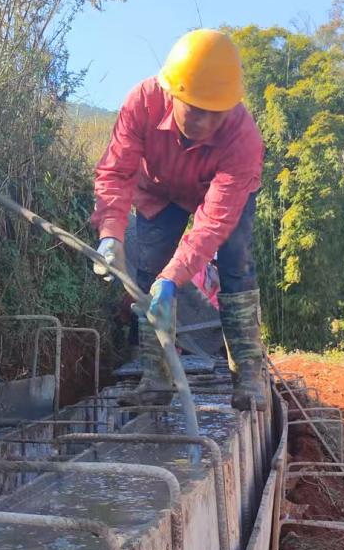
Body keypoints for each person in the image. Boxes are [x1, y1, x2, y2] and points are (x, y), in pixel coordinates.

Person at [91, 28, 269, 411]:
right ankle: (157, 378)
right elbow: (117, 174)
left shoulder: (243, 138)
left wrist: (174, 280)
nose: (205, 122)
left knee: (236, 263)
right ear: (173, 94)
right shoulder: (141, 103)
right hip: (160, 192)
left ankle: (249, 376)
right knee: (148, 271)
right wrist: (110, 234)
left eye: (215, 113)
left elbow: (213, 223)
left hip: (220, 199)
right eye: (195, 109)